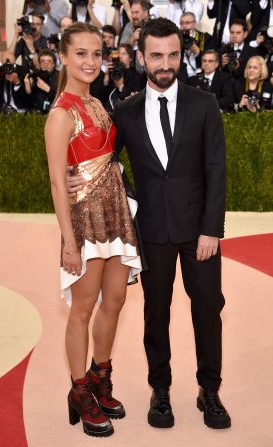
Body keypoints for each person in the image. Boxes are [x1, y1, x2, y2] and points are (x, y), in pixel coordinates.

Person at [67, 17, 231, 430]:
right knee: (155, 313)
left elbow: (216, 168)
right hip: (152, 232)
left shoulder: (203, 103)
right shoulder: (124, 111)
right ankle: (160, 389)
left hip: (200, 233)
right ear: (141, 58)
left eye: (173, 55)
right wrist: (77, 174)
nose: (165, 63)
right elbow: (105, 158)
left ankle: (209, 390)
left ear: (182, 55)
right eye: (156, 55)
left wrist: (212, 228)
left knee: (208, 308)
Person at [44, 22, 141, 437]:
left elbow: (105, 153)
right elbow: (55, 180)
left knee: (116, 299)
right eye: (80, 53)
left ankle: (101, 377)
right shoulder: (61, 113)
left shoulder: (99, 103)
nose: (89, 61)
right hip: (85, 221)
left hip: (116, 214)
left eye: (96, 54)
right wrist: (69, 242)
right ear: (64, 56)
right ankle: (79, 389)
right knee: (83, 308)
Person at [24, 49, 59, 113]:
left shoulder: (60, 78)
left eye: (49, 61)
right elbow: (28, 105)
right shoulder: (35, 76)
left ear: (54, 64)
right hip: (38, 115)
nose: (46, 64)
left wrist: (48, 89)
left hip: (55, 114)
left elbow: (64, 100)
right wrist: (28, 91)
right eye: (43, 61)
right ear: (39, 64)